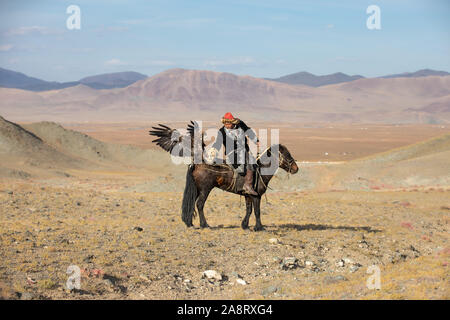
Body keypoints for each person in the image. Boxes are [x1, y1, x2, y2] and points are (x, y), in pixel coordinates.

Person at [209, 112, 259, 196]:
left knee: (252, 162)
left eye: (228, 124)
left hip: (244, 150)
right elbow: (217, 143)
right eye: (225, 123)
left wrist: (256, 140)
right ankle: (243, 185)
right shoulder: (221, 132)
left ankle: (248, 185)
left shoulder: (240, 124)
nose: (227, 125)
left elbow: (248, 130)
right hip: (232, 154)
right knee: (241, 168)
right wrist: (213, 152)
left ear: (233, 122)